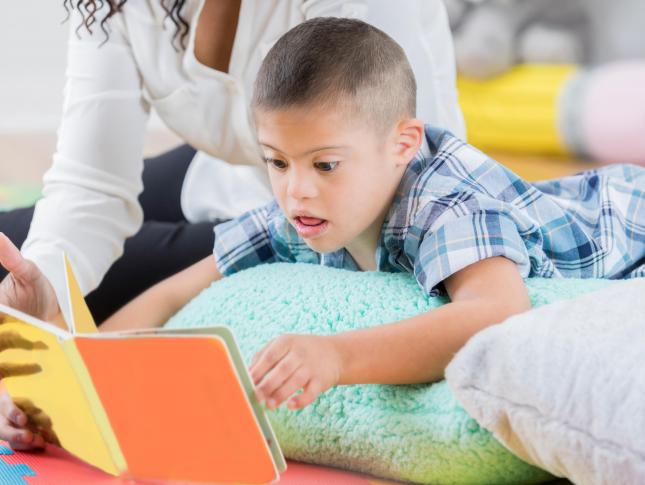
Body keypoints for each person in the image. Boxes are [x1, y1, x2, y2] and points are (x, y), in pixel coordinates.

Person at [5, 16, 644, 452]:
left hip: (628, 220)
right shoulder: (306, 200)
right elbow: (176, 294)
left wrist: (337, 356)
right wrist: (77, 382)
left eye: (324, 165)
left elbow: (496, 309)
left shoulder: (446, 198)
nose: (296, 191)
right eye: (276, 163)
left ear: (403, 145)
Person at [0, 0, 465, 324]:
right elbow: (91, 186)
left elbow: (388, 176)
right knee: (21, 258)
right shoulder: (117, 7)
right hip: (229, 172)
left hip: (329, 218)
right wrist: (44, 297)